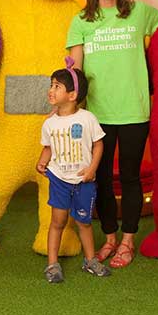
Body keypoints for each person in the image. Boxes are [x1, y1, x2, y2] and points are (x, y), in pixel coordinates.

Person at [66, 0, 158, 268]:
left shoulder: (140, 13)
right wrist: (68, 108)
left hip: (135, 109)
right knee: (103, 178)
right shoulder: (81, 21)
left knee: (132, 177)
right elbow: (75, 71)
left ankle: (127, 241)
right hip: (97, 113)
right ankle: (109, 237)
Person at [36, 59, 108, 283]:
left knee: (84, 222)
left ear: (72, 94)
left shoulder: (87, 119)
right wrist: (42, 161)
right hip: (59, 179)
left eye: (57, 86)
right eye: (51, 85)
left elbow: (98, 144)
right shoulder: (49, 123)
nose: (51, 90)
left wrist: (92, 169)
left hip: (83, 180)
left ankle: (90, 260)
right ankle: (52, 264)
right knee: (57, 221)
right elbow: (48, 147)